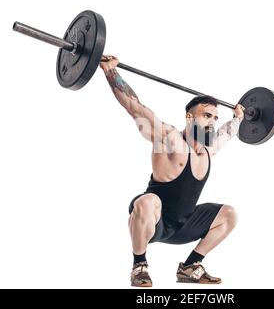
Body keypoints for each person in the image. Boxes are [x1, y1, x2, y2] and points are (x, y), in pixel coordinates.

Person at [100, 55, 244, 287]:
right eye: (207, 115)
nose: (212, 122)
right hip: (153, 223)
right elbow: (135, 108)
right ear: (189, 116)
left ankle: (190, 267)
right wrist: (110, 72)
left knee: (230, 214)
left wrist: (239, 118)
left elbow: (227, 133)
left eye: (215, 118)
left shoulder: (208, 149)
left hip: (183, 225)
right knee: (146, 201)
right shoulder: (169, 139)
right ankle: (139, 266)